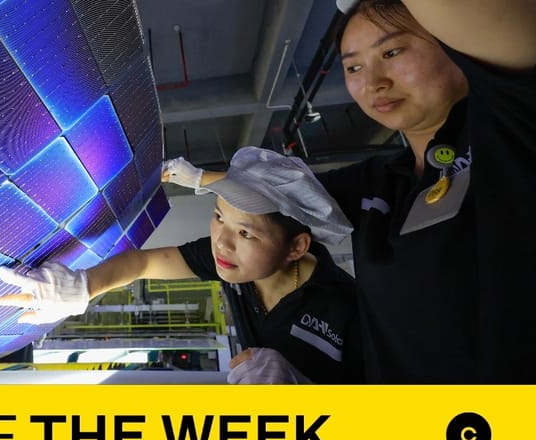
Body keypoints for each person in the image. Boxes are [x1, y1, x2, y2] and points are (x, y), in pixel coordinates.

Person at [169, 0, 536, 382]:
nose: (373, 81)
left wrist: (198, 178)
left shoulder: (512, 124)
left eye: (392, 52)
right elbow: (272, 194)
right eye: (353, 66)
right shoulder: (379, 182)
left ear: (455, 43)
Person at [0, 147, 363, 383]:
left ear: (296, 247)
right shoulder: (233, 263)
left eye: (246, 234)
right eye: (219, 216)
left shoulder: (348, 310)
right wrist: (84, 286)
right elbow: (142, 263)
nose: (222, 241)